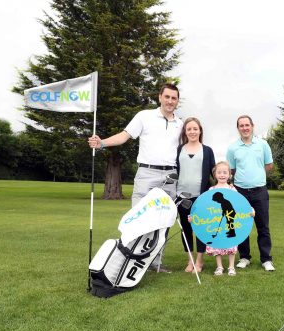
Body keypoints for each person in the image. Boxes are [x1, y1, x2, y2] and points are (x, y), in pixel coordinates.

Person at [87, 83, 182, 273]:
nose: (170, 101)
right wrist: (102, 143)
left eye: (174, 98)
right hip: (147, 173)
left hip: (171, 175)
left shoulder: (180, 123)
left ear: (177, 101)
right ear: (160, 97)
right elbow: (124, 136)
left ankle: (154, 264)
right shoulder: (144, 116)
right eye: (167, 97)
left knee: (163, 220)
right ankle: (128, 260)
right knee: (139, 218)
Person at [226, 115, 275, 272]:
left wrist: (256, 175)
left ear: (252, 126)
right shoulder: (233, 147)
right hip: (240, 191)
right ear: (238, 128)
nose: (245, 128)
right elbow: (231, 170)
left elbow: (269, 165)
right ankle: (244, 257)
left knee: (263, 226)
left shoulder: (263, 144)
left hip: (260, 190)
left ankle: (266, 259)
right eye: (241, 125)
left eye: (247, 125)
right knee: (242, 226)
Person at [175, 117, 215, 273]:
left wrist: (224, 184)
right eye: (189, 129)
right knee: (185, 229)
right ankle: (190, 260)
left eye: (195, 129)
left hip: (201, 196)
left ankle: (199, 261)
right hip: (181, 196)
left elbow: (214, 172)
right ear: (185, 131)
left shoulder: (207, 150)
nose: (192, 131)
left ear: (200, 131)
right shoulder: (179, 149)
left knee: (200, 229)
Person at [202, 161, 240, 276]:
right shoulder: (211, 190)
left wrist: (251, 210)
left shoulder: (232, 190)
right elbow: (206, 206)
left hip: (230, 216)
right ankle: (219, 267)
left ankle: (231, 267)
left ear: (229, 174)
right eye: (219, 172)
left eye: (225, 172)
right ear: (215, 175)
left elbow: (240, 204)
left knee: (231, 240)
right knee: (217, 241)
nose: (222, 175)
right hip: (216, 218)